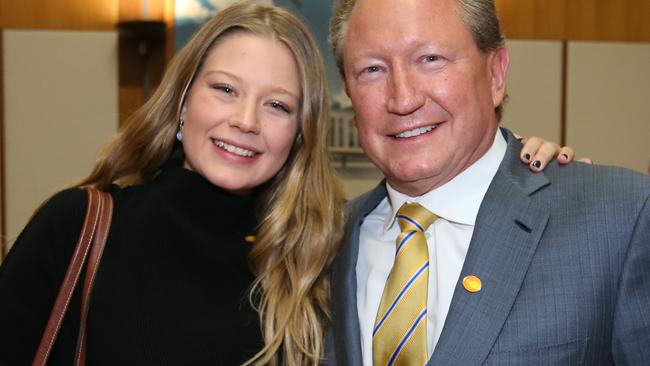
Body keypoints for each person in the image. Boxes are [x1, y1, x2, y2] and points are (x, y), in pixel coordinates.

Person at [0, 2, 574, 366]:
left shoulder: (319, 251)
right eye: (224, 90)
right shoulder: (80, 226)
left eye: (277, 105)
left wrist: (522, 174)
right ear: (181, 101)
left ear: (300, 134)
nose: (245, 120)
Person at [326, 0, 650, 365]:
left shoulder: (623, 219)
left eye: (430, 59)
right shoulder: (319, 246)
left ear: (495, 74)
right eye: (372, 69)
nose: (403, 99)